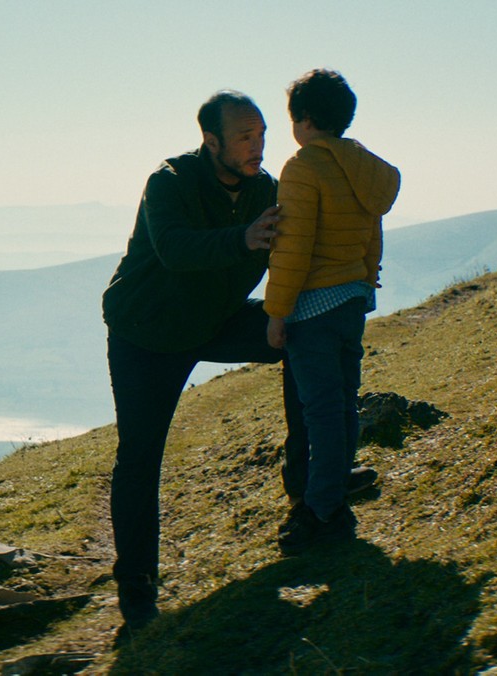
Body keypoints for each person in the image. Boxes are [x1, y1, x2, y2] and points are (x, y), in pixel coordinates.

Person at [101, 90, 303, 635]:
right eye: (244, 136)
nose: (258, 144)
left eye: (261, 132)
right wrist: (242, 238)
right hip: (148, 332)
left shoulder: (264, 187)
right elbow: (174, 248)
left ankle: (308, 495)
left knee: (307, 335)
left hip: (215, 321)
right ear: (210, 141)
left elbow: (293, 247)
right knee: (140, 459)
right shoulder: (169, 180)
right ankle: (137, 589)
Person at [265, 69, 400, 555]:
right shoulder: (364, 168)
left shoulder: (303, 168)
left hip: (313, 309)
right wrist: (366, 277)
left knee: (320, 411)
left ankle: (323, 510)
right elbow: (372, 231)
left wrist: (277, 311)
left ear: (302, 120)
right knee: (343, 402)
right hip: (351, 301)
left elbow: (292, 248)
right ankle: (336, 485)